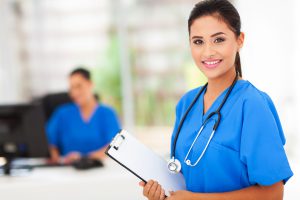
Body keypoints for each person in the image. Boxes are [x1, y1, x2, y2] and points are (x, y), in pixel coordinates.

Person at [139, 0, 293, 199]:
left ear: (240, 40)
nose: (208, 52)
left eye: (218, 39)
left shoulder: (253, 105)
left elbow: (273, 193)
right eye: (198, 41)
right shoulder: (187, 103)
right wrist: (163, 192)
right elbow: (184, 174)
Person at [46, 68, 121, 164]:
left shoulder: (107, 113)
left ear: (90, 84)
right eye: (71, 88)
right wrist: (58, 161)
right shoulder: (62, 114)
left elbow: (113, 147)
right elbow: (49, 142)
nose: (74, 93)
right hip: (68, 171)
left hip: (100, 169)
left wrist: (84, 158)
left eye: (79, 86)